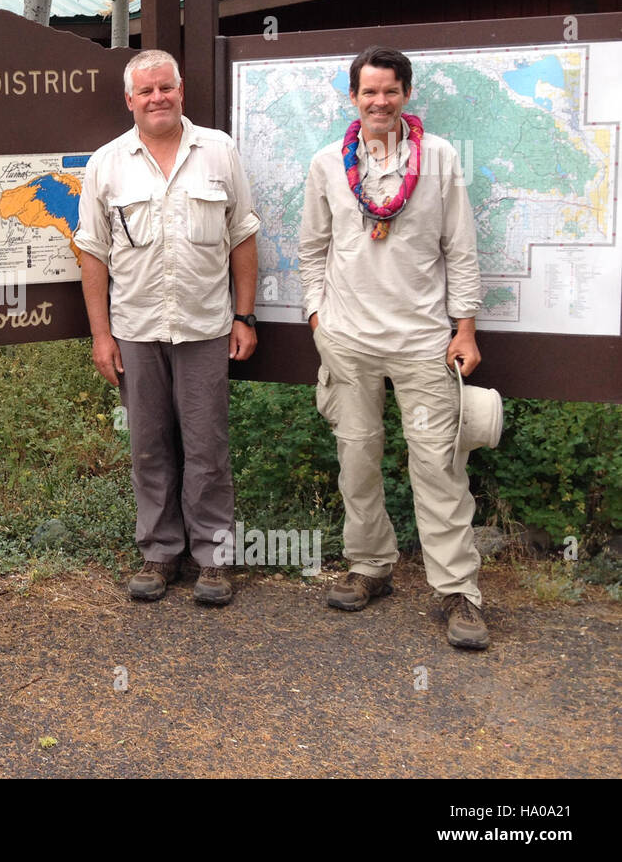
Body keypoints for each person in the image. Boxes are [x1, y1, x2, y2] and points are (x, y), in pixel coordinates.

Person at [298, 45, 489, 649]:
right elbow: (311, 247)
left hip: (421, 341)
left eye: (390, 91)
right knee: (357, 461)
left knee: (438, 463)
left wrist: (465, 328)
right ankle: (369, 567)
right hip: (348, 340)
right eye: (368, 92)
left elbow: (459, 248)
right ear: (353, 98)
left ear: (406, 93)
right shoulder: (330, 162)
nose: (379, 102)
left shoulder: (438, 159)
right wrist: (315, 316)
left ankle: (459, 590)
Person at [76, 49, 260, 604]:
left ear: (182, 91)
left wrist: (244, 314)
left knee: (207, 446)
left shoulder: (218, 151)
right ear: (129, 100)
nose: (158, 98)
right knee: (149, 446)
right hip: (136, 327)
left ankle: (214, 558)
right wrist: (101, 335)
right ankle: (159, 552)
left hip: (206, 325)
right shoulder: (106, 163)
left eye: (166, 88)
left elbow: (243, 235)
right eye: (146, 91)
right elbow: (92, 254)